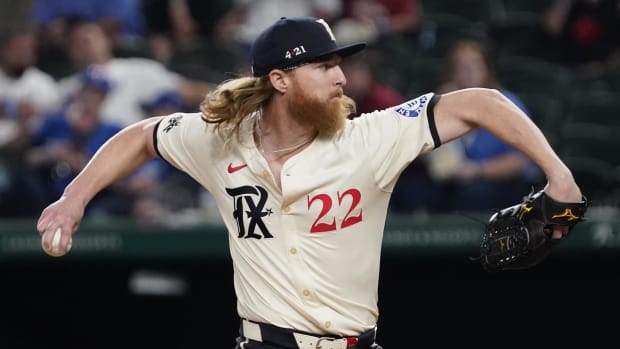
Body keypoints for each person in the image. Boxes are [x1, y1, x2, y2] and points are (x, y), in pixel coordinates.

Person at [36, 16, 583, 349]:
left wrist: (559, 177)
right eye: (323, 66)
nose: (342, 76)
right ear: (280, 80)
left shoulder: (369, 137)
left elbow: (481, 102)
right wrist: (73, 198)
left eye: (338, 64)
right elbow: (142, 135)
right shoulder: (219, 141)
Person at [430, 39, 542, 212]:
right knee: (414, 191)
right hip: (455, 180)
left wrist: (477, 170)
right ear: (451, 73)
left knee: (471, 195)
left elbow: (521, 160)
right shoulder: (444, 103)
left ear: (487, 70)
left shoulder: (507, 105)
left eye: (475, 66)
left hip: (502, 182)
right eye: (462, 67)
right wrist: (441, 106)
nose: (469, 73)